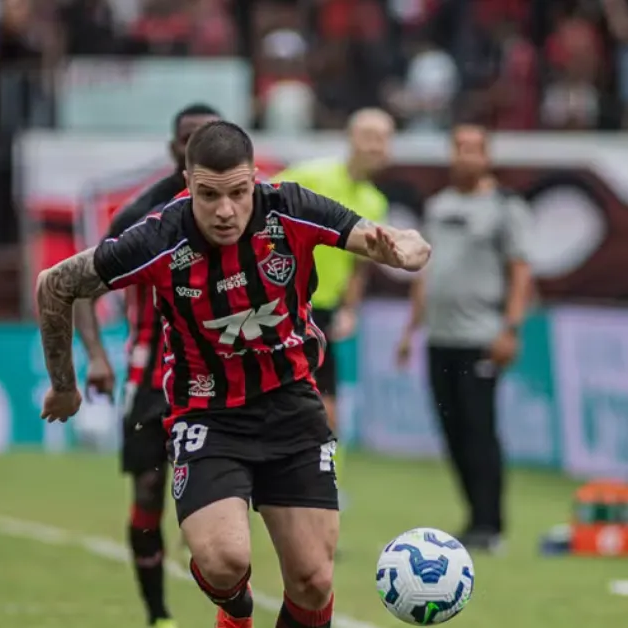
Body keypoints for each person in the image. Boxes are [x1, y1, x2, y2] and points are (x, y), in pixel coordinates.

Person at [35, 121, 431, 628]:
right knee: (225, 562)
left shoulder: (290, 206)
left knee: (312, 582)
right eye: (209, 195)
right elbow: (55, 285)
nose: (225, 211)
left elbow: (373, 238)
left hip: (292, 406)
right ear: (187, 182)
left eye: (238, 193)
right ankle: (236, 614)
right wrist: (64, 384)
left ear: (254, 180)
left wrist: (406, 246)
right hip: (208, 413)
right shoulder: (159, 235)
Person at [73, 102, 221, 628]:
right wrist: (93, 356)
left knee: (221, 501)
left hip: (226, 382)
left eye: (209, 137)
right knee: (147, 493)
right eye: (189, 138)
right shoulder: (142, 215)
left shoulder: (247, 209)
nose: (198, 145)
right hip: (153, 379)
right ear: (174, 150)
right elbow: (79, 287)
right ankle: (158, 614)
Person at [396, 124, 533, 552]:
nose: (465, 157)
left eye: (474, 149)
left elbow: (520, 271)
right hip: (440, 336)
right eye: (459, 148)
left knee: (480, 429)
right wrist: (410, 329)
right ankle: (473, 517)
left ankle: (491, 525)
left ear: (487, 156)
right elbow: (424, 273)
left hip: (480, 335)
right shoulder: (438, 206)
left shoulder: (505, 207)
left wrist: (510, 328)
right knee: (451, 430)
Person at [271, 107, 393, 471]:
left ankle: (321, 475)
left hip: (321, 312)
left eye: (383, 139)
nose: (375, 146)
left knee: (327, 403)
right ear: (350, 138)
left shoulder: (375, 201)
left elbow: (360, 267)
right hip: (281, 305)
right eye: (368, 136)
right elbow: (262, 204)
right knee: (275, 395)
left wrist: (350, 309)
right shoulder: (312, 175)